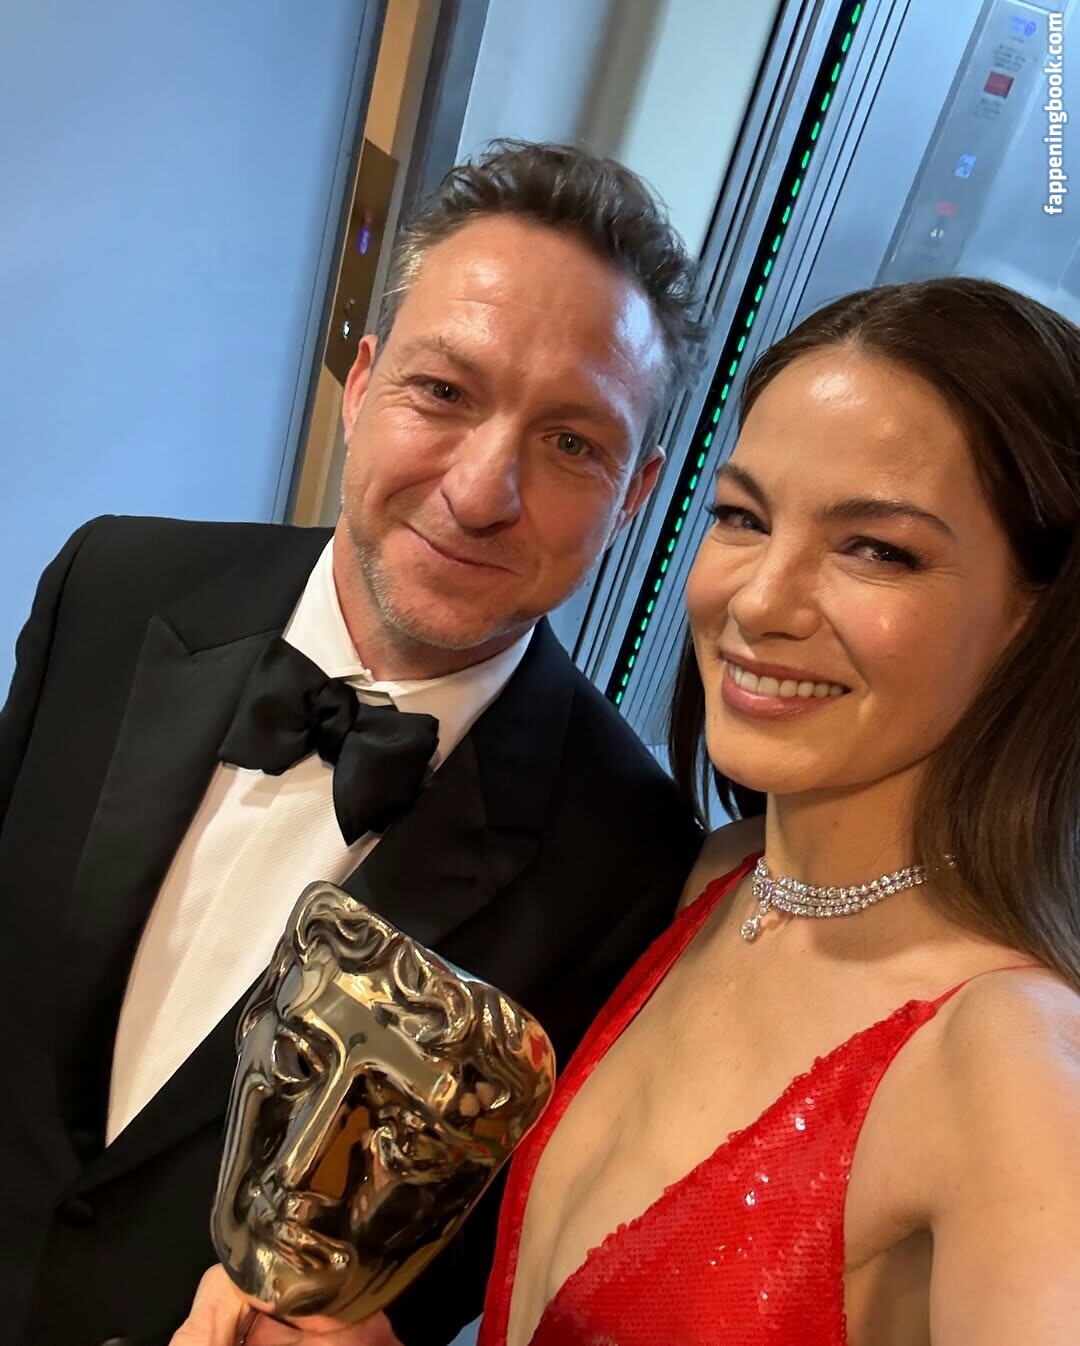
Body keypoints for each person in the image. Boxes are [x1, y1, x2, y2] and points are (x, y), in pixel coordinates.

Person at [0, 140, 707, 1346]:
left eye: (572, 444)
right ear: (362, 381)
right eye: (444, 391)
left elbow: (482, 1258)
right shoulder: (110, 584)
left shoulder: (633, 862)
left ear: (633, 495)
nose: (481, 491)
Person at [477, 277, 1080, 1346]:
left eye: (876, 548)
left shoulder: (1013, 1067)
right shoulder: (721, 880)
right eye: (742, 518)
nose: (758, 600)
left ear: (1040, 619)